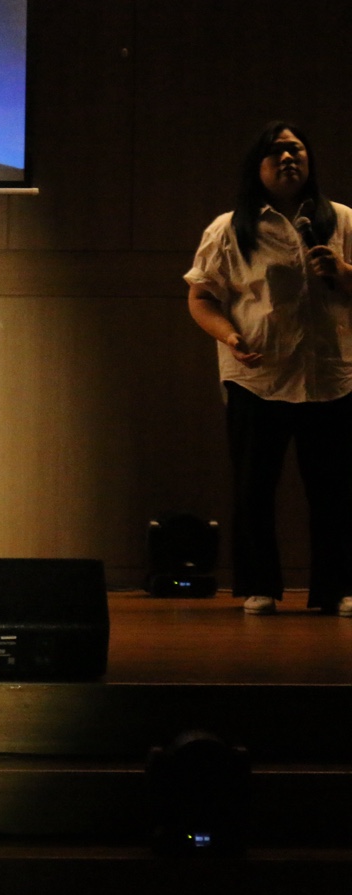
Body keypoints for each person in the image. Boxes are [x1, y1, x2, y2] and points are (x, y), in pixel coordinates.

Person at [185, 121, 352, 616]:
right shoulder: (229, 228)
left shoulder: (343, 219)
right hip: (258, 377)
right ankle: (259, 586)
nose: (288, 158)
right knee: (254, 489)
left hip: (332, 376)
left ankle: (338, 588)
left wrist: (342, 272)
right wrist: (229, 336)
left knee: (336, 491)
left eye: (296, 149)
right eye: (276, 151)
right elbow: (201, 297)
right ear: (256, 166)